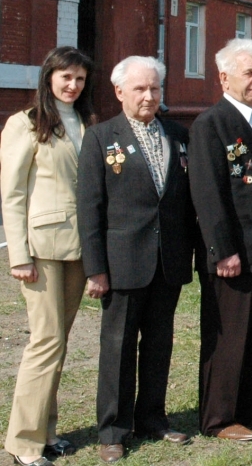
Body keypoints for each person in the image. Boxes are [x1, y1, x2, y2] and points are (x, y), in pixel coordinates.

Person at [77, 56, 196, 462]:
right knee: (118, 347)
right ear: (119, 91)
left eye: (155, 88)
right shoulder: (99, 138)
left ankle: (153, 419)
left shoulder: (179, 135)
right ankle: (113, 429)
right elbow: (90, 208)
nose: (149, 96)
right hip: (123, 262)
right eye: (141, 89)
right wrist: (95, 268)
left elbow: (186, 202)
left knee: (160, 344)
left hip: (168, 261)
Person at [2, 47, 95, 466]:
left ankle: (46, 431)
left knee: (59, 343)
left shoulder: (86, 122)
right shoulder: (24, 124)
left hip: (78, 247)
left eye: (79, 78)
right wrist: (17, 254)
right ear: (48, 78)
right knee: (46, 341)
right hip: (40, 249)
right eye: (65, 77)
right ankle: (22, 442)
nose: (72, 85)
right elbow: (13, 194)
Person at [190, 38, 252, 442]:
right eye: (249, 72)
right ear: (224, 77)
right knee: (229, 337)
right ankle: (219, 417)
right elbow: (208, 193)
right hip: (234, 252)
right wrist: (222, 249)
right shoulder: (212, 124)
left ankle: (246, 409)